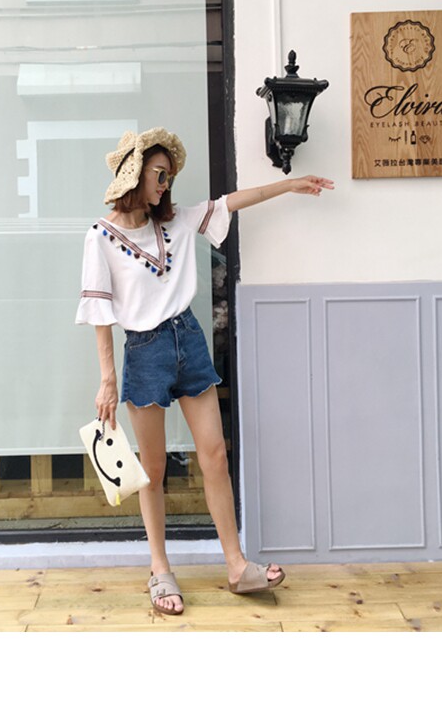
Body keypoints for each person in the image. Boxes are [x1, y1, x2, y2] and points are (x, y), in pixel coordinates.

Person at [76, 127, 334, 615]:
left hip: (189, 342)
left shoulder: (175, 220)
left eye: (169, 177)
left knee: (214, 454)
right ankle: (159, 569)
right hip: (145, 352)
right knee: (153, 471)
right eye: (159, 175)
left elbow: (233, 201)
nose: (165, 185)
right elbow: (99, 313)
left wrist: (289, 185)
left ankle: (236, 566)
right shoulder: (101, 237)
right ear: (135, 174)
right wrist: (107, 379)